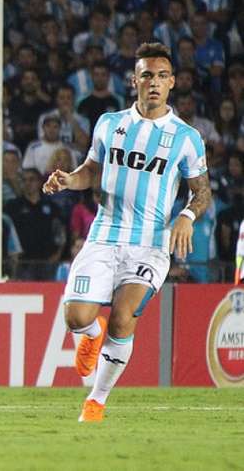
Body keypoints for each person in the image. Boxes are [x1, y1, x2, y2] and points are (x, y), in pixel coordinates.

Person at [43, 43, 211, 422]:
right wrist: (70, 180)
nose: (154, 82)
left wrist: (185, 215)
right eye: (147, 75)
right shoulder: (109, 123)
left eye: (162, 76)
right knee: (75, 317)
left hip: (150, 245)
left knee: (123, 317)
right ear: (134, 80)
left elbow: (202, 191)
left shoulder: (186, 137)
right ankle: (90, 334)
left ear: (172, 84)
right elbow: (91, 169)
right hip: (103, 236)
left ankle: (96, 401)